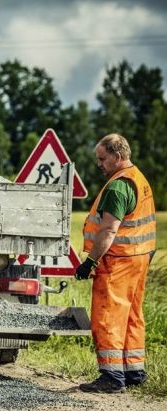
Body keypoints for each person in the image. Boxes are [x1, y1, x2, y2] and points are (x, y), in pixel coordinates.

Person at [75, 133, 156, 394]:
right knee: (132, 315)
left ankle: (111, 376)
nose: (99, 164)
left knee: (108, 316)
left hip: (118, 261)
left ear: (117, 157)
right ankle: (134, 371)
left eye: (102, 158)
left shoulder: (118, 186)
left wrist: (89, 262)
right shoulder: (138, 178)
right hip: (139, 258)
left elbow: (108, 231)